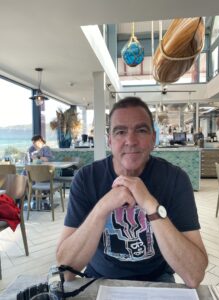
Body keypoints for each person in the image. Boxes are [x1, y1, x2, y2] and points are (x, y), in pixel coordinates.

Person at [56, 97, 208, 288]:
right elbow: (66, 270)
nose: (130, 141)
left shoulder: (175, 180)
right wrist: (102, 207)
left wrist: (151, 205)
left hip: (156, 279)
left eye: (141, 130)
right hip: (99, 279)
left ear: (153, 139)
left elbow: (194, 275)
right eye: (120, 132)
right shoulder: (86, 179)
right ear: (110, 140)